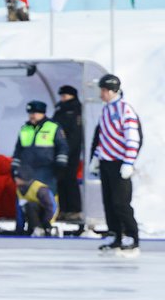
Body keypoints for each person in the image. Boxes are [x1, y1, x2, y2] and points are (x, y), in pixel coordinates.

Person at [89, 74, 142, 254]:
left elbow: (132, 138)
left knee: (121, 202)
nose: (101, 94)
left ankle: (131, 235)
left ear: (113, 91)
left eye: (104, 90)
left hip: (120, 163)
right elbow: (103, 138)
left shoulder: (125, 109)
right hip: (106, 162)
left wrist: (129, 162)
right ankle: (115, 234)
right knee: (109, 202)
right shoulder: (105, 110)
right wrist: (96, 157)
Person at [11, 100, 69, 236]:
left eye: (35, 113)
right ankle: (31, 225)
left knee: (48, 197)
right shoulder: (25, 128)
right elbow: (18, 149)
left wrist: (60, 164)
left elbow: (62, 146)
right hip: (28, 171)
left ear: (42, 113)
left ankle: (48, 224)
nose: (32, 115)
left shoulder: (53, 127)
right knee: (27, 199)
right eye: (30, 113)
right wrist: (15, 166)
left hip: (47, 170)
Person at [51, 85, 83, 220]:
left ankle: (74, 210)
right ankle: (63, 209)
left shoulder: (76, 110)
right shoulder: (60, 109)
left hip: (71, 152)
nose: (62, 98)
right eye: (61, 96)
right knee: (60, 180)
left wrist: (67, 151)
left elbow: (76, 134)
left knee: (70, 179)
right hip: (58, 151)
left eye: (65, 95)